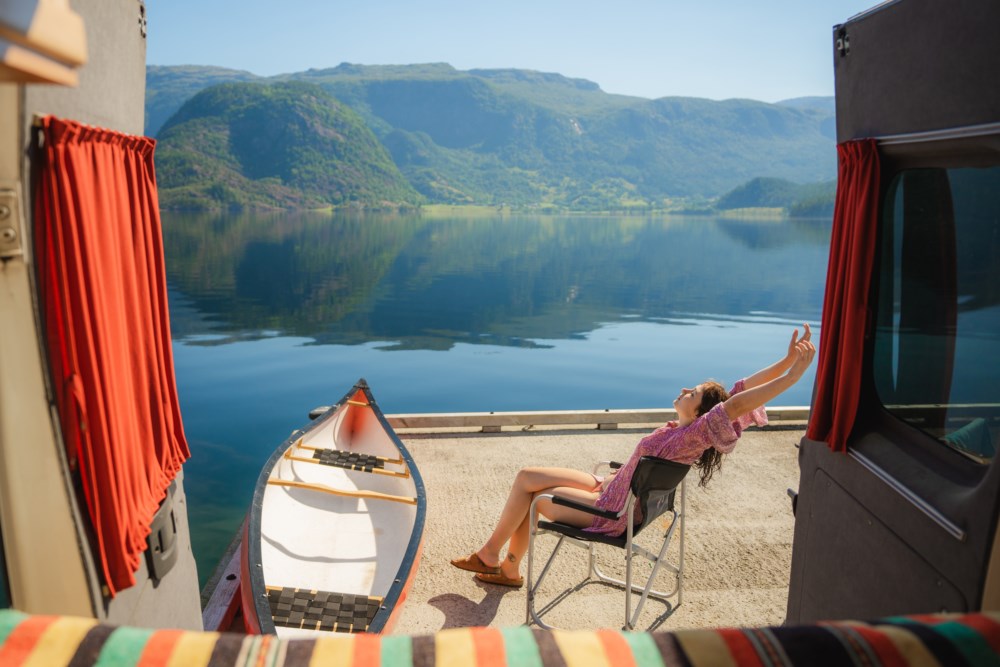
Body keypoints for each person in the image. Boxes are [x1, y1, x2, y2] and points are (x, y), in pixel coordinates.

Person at [450, 324, 816, 587]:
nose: (686, 389)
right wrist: (786, 361)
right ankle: (496, 559)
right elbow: (740, 389)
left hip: (612, 512)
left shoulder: (696, 433)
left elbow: (737, 403)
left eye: (694, 392)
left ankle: (499, 562)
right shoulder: (683, 429)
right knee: (527, 476)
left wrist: (795, 377)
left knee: (535, 499)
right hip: (609, 488)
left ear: (703, 413)